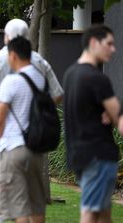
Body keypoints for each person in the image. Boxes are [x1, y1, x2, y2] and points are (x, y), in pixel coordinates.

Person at [0, 18, 63, 223]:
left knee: (5, 186)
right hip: (35, 139)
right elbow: (57, 94)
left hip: (5, 138)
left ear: (7, 38)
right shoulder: (39, 62)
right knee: (35, 200)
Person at [63, 25, 120, 223]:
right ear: (94, 42)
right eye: (109, 44)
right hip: (98, 156)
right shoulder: (97, 79)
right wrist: (113, 117)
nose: (113, 49)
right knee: (89, 212)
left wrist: (108, 115)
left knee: (103, 213)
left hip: (80, 155)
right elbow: (119, 118)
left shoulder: (71, 74)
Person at [0, 36, 47, 223]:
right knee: (36, 203)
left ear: (13, 55)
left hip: (14, 147)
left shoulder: (11, 81)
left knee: (19, 206)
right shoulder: (41, 78)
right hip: (36, 148)